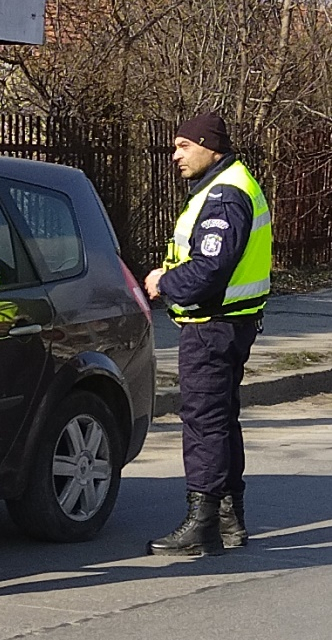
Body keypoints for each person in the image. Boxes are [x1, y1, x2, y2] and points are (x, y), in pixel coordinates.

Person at [143, 112, 272, 556]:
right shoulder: (229, 185)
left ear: (209, 146)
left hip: (212, 326)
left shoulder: (224, 195)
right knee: (220, 419)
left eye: (183, 146)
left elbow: (210, 268)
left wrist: (164, 282)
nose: (175, 155)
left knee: (203, 423)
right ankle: (229, 520)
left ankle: (201, 523)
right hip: (230, 323)